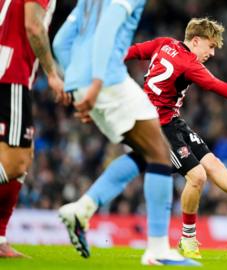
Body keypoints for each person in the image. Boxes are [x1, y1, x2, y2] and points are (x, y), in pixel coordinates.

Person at [64, 17, 227, 260]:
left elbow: (132, 52)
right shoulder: (189, 64)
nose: (213, 53)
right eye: (211, 46)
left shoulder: (163, 43)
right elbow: (223, 89)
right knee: (196, 176)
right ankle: (184, 240)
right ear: (195, 41)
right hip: (157, 128)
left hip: (171, 122)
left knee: (213, 165)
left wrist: (99, 70)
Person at [52, 0, 197, 266]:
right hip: (108, 80)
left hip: (82, 81)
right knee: (160, 153)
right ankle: (158, 249)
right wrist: (95, 84)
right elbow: (107, 30)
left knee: (147, 153)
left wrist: (76, 84)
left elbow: (61, 42)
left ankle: (82, 209)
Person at [0, 0, 66, 258]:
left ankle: (0, 238)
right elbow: (34, 26)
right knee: (15, 162)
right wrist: (52, 73)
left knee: (22, 158)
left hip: (9, 72)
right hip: (11, 74)